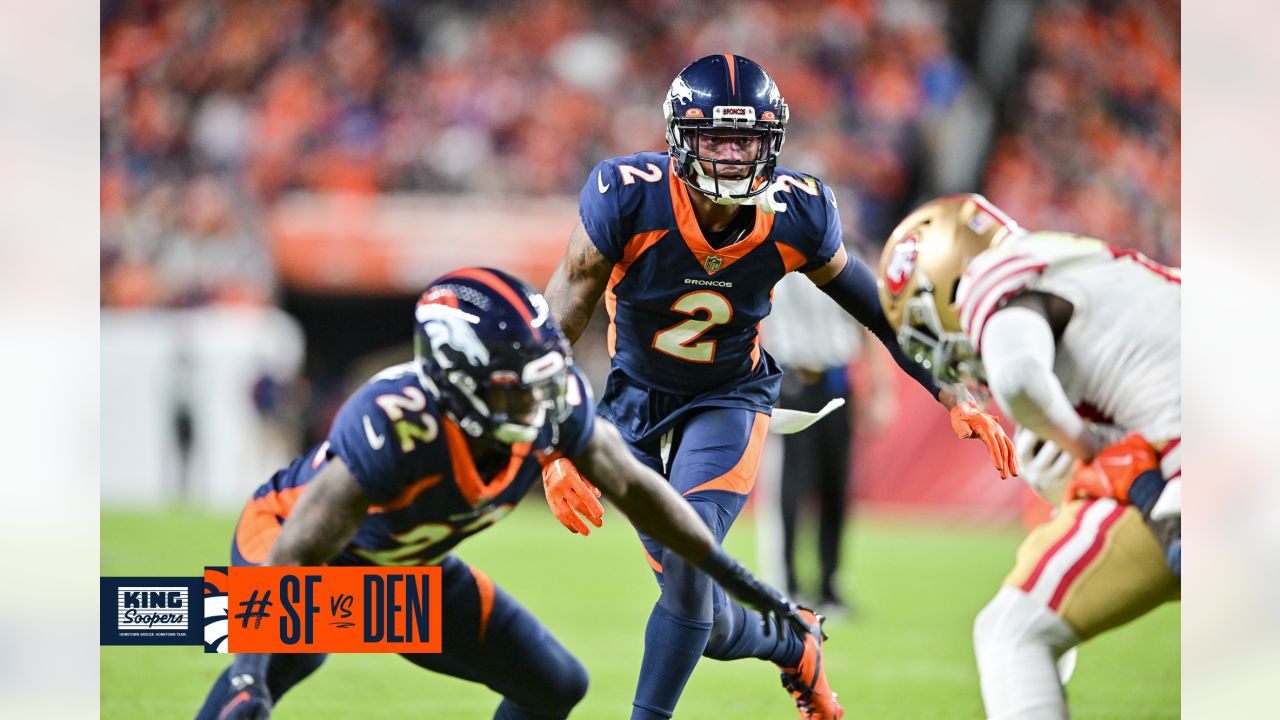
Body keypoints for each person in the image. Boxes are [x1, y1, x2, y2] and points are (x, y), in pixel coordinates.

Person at [542, 53, 1017, 720]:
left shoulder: (798, 211)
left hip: (727, 399)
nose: (732, 158)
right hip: (631, 404)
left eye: (747, 142)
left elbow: (876, 307)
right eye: (716, 140)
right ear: (680, 137)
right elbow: (559, 317)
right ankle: (793, 642)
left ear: (774, 143)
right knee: (699, 613)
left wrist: (950, 390)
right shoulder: (627, 194)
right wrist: (554, 444)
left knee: (685, 567)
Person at [196, 267, 811, 720]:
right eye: (514, 385)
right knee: (273, 665)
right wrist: (249, 671)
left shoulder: (548, 402)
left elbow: (636, 488)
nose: (539, 400)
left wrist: (729, 573)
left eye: (542, 377)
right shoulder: (394, 424)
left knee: (555, 684)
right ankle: (150, 617)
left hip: (407, 573)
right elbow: (295, 556)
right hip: (289, 553)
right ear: (458, 383)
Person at [875, 194, 1181, 719]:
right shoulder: (1084, 267)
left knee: (1012, 633)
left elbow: (1018, 378)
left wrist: (1088, 450)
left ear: (946, 279)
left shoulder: (994, 275)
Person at [762, 270, 896, 615]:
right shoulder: (776, 258)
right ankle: (787, 584)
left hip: (836, 380)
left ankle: (829, 585)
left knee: (836, 486)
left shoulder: (842, 257)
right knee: (790, 487)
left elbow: (868, 323)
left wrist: (881, 390)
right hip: (792, 380)